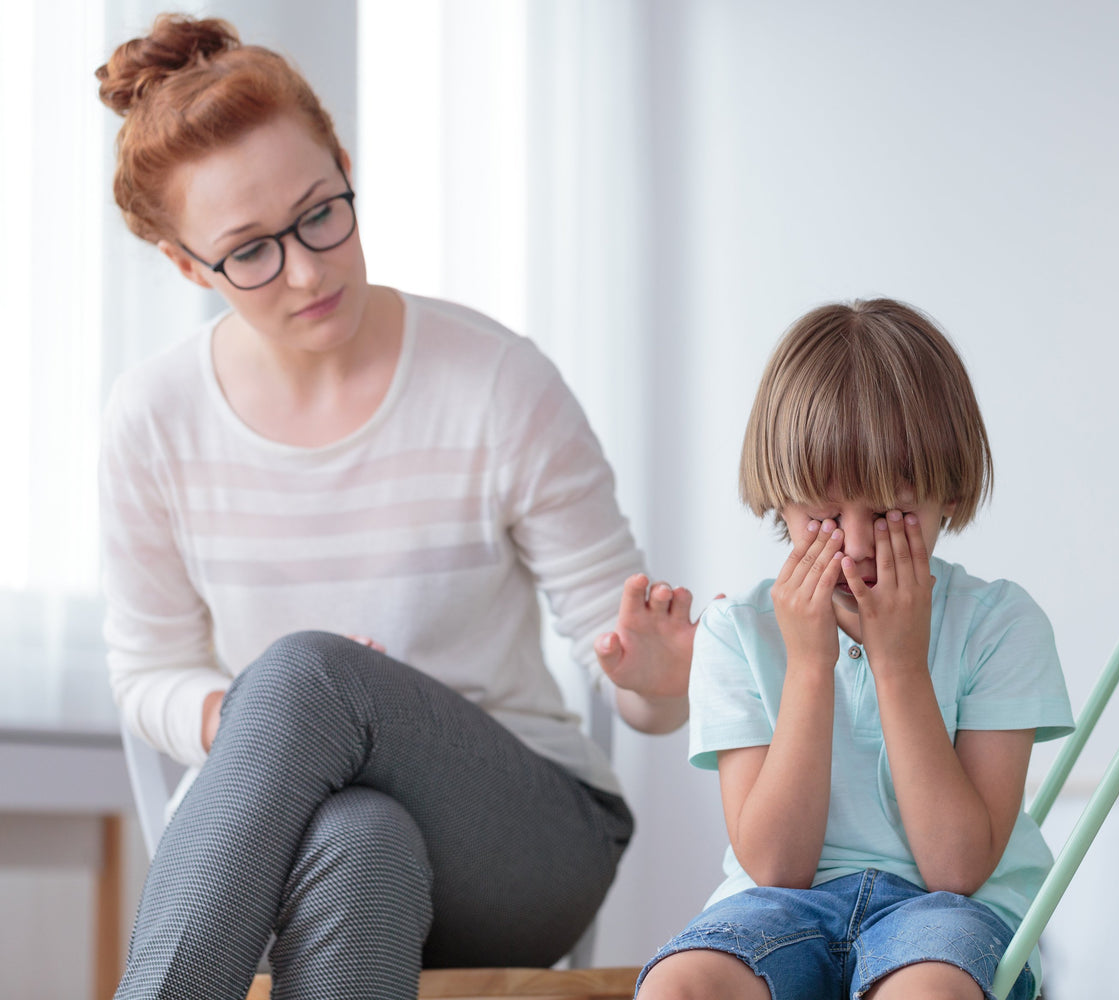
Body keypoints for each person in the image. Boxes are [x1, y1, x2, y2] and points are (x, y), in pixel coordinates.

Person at [95, 14, 697, 999]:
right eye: (248, 251)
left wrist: (659, 683)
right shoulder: (152, 418)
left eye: (320, 211)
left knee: (304, 675)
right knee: (355, 829)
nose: (307, 268)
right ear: (187, 266)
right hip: (300, 841)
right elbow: (150, 671)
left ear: (342, 162)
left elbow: (633, 676)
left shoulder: (498, 380)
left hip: (529, 840)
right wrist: (244, 713)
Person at [635, 300, 1076, 1000]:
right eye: (825, 516)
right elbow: (776, 867)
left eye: (890, 512)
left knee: (927, 991)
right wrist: (809, 665)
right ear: (780, 502)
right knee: (678, 985)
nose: (861, 543)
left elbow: (957, 868)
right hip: (781, 907)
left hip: (947, 915)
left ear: (947, 496)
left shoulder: (1000, 624)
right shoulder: (738, 632)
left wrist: (900, 664)